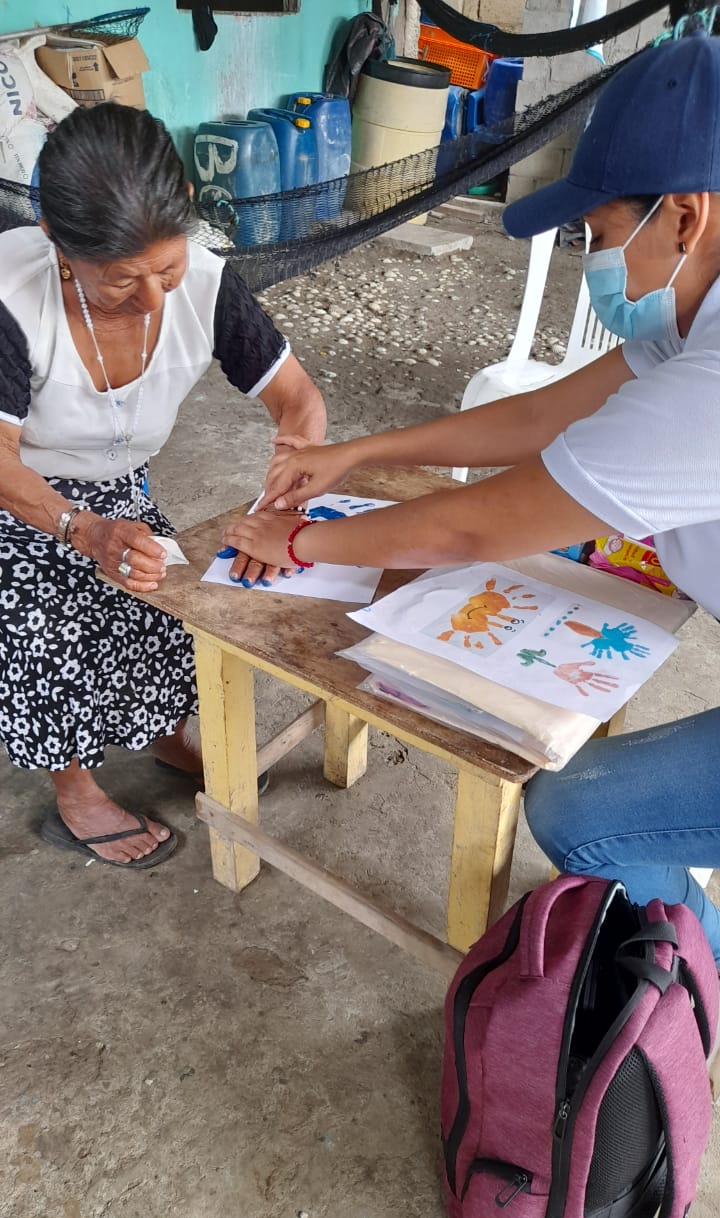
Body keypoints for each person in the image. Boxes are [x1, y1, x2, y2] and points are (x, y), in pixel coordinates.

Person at [222, 31, 720, 963]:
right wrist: (353, 454)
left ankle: (694, 976)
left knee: (579, 809)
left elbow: (469, 528)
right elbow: (541, 415)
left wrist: (296, 543)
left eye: (599, 235)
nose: (594, 262)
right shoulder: (692, 308)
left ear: (685, 216)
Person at [0, 102, 326, 869]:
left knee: (168, 598)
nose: (153, 299)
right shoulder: (11, 298)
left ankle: (161, 732)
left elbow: (298, 398)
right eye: (120, 280)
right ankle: (75, 788)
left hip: (115, 483)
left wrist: (288, 482)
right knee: (46, 621)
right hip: (20, 493)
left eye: (167, 270)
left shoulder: (209, 283)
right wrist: (83, 528)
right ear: (56, 241)